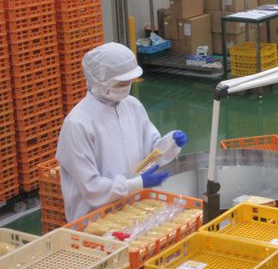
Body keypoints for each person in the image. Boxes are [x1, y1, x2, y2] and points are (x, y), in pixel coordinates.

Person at [57, 42, 187, 221]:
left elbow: (150, 156)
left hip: (133, 210)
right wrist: (137, 183)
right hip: (93, 220)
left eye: (129, 82)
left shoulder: (132, 106)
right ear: (99, 82)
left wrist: (170, 144)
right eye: (120, 83)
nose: (126, 86)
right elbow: (91, 187)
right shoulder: (78, 124)